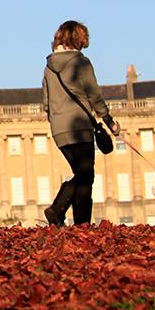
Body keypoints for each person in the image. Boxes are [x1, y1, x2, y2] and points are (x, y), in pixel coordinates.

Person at [42, 19, 117, 226]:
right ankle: (69, 216)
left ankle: (69, 217)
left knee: (81, 174)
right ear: (77, 38)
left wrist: (57, 123)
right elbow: (94, 94)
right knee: (86, 176)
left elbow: (46, 103)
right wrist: (108, 119)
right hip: (79, 127)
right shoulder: (81, 62)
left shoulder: (49, 67)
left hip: (59, 130)